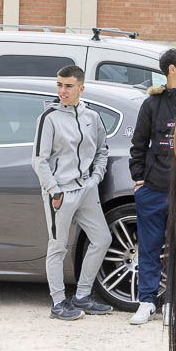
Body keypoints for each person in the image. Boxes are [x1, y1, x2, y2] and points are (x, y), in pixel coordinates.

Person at [31, 65, 114, 321]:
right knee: (57, 247)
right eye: (59, 85)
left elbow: (102, 151)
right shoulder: (49, 118)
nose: (62, 91)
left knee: (102, 239)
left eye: (68, 86)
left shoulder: (92, 116)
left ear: (81, 88)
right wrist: (54, 190)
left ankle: (82, 296)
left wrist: (96, 178)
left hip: (86, 189)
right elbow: (39, 160)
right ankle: (58, 303)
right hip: (60, 192)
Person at [128, 49, 176, 326]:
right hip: (153, 189)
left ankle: (173, 303)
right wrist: (138, 177)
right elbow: (138, 143)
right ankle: (146, 301)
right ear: (172, 69)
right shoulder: (152, 104)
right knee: (149, 247)